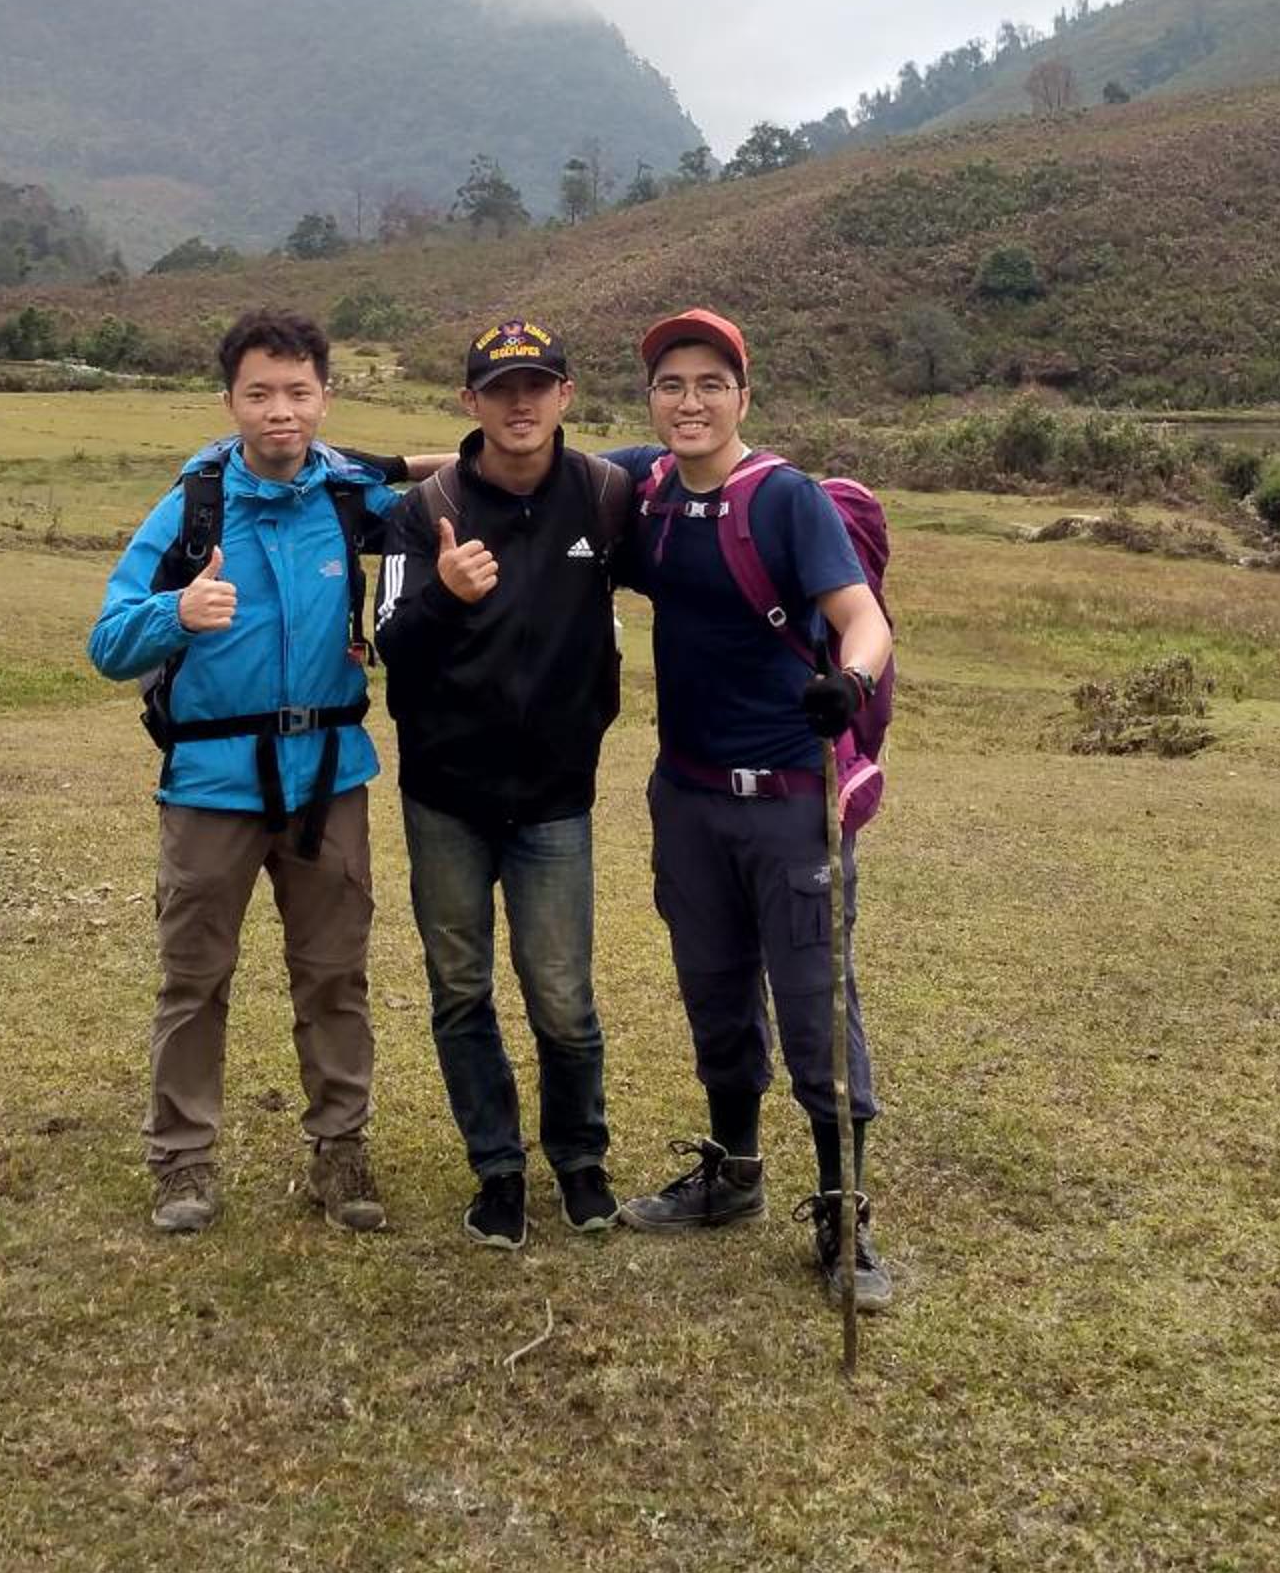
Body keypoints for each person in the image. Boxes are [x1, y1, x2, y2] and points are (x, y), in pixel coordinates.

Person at [88, 308, 410, 1238]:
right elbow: (107, 642)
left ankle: (340, 1147)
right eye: (260, 393)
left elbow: (454, 489)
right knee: (194, 978)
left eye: (298, 393)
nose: (280, 412)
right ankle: (182, 1159)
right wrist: (177, 614)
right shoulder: (190, 509)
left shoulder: (352, 500)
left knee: (336, 975)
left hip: (329, 778)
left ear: (326, 398)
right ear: (229, 400)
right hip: (209, 783)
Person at [602, 308, 899, 1311]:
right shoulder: (646, 490)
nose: (689, 402)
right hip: (687, 794)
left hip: (788, 799)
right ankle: (733, 1176)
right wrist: (388, 466)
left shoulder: (785, 499)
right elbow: (526, 457)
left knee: (815, 1002)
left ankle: (844, 1214)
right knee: (715, 989)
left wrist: (850, 684)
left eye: (710, 385)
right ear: (651, 400)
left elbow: (860, 619)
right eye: (671, 385)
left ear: (743, 396)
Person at [374, 316, 634, 1248]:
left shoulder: (605, 496)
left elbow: (695, 540)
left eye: (536, 386)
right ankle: (497, 1169)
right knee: (460, 988)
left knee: (562, 994)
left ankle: (580, 1158)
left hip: (556, 797)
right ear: (470, 402)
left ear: (565, 395)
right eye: (499, 390)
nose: (519, 404)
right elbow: (391, 646)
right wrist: (446, 594)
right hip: (445, 794)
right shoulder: (426, 509)